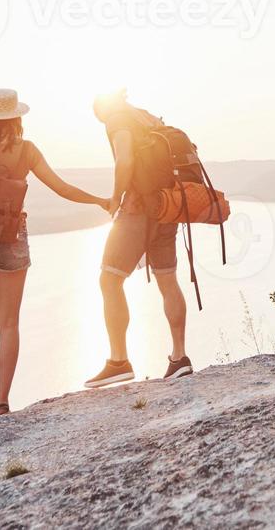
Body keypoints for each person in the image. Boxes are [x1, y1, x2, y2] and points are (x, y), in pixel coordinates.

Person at [0, 88, 108, 426]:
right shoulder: (28, 151)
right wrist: (100, 200)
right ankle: (3, 403)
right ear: (17, 117)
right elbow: (62, 188)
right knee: (9, 323)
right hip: (13, 238)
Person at [84, 90, 194, 388]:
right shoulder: (145, 116)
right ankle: (179, 357)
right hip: (167, 206)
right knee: (168, 281)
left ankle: (119, 361)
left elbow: (125, 160)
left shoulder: (116, 118)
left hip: (137, 209)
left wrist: (116, 199)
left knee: (109, 280)